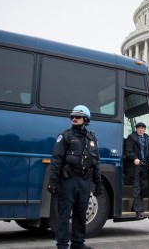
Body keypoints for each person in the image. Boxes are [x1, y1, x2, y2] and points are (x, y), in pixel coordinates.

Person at [47, 105, 103, 249]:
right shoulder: (65, 135)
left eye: (78, 117)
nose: (74, 119)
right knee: (64, 215)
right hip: (68, 181)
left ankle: (78, 243)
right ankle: (62, 245)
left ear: (86, 119)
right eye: (72, 117)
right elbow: (56, 159)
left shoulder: (92, 138)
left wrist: (98, 183)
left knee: (80, 214)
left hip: (84, 181)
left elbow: (96, 162)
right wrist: (53, 181)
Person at [125, 122, 149, 219]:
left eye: (142, 128)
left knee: (145, 186)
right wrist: (134, 158)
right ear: (136, 129)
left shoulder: (148, 139)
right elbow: (128, 151)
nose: (140, 130)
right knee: (136, 188)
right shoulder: (131, 137)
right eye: (139, 128)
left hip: (145, 166)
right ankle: (138, 211)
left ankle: (135, 205)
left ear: (145, 129)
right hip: (135, 166)